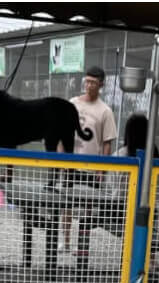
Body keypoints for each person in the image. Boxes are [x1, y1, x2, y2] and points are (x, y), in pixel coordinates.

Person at [62, 65, 118, 251]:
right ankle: (66, 240)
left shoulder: (105, 111)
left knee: (87, 207)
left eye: (93, 82)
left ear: (101, 85)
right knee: (66, 204)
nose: (89, 85)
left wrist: (102, 168)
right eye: (87, 81)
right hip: (71, 164)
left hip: (92, 167)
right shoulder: (72, 103)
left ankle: (82, 245)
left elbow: (107, 142)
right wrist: (61, 159)